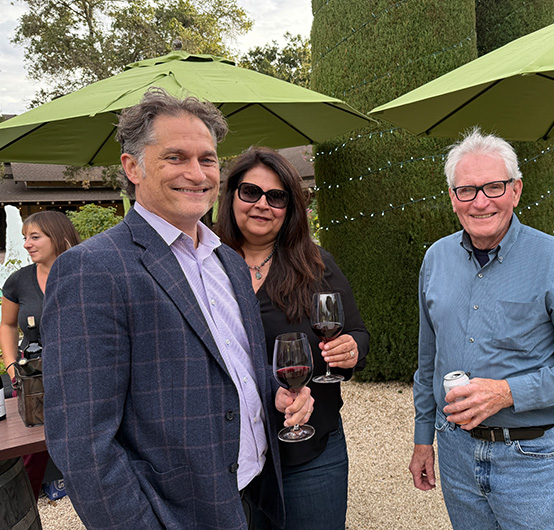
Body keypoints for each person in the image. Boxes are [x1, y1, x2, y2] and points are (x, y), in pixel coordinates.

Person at [41, 88, 313, 530]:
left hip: (254, 492)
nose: (197, 173)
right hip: (176, 512)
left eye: (207, 159)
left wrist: (274, 391)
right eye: (175, 157)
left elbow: (233, 364)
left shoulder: (226, 258)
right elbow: (83, 443)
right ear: (133, 167)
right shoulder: (93, 269)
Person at [410, 128, 554, 530]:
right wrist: (423, 438)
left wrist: (506, 393)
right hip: (454, 450)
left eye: (494, 187)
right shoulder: (436, 259)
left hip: (528, 457)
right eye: (466, 190)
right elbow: (427, 359)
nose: (481, 201)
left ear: (516, 190)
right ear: (453, 198)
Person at [215, 147, 369, 530]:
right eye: (250, 192)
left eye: (277, 196)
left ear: (290, 207)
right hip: (230, 454)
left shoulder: (315, 264)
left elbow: (358, 334)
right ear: (231, 195)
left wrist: (351, 350)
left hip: (310, 452)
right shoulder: (207, 265)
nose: (263, 204)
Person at [0, 210, 80, 496]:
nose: (26, 244)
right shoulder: (19, 281)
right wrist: (11, 366)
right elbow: (8, 324)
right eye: (24, 237)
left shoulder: (85, 272)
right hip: (33, 383)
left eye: (35, 237)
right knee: (29, 453)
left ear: (59, 237)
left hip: (80, 381)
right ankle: (26, 500)